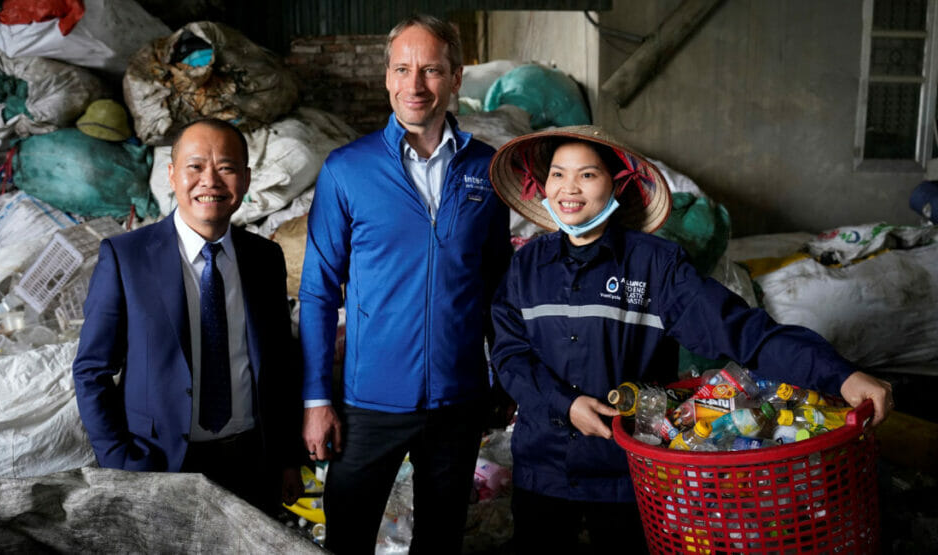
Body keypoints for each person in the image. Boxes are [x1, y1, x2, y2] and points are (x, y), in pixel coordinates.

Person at [487, 126, 895, 553]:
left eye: (587, 175)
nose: (569, 188)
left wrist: (840, 376)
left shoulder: (654, 267)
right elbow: (511, 354)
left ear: (618, 185)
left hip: (631, 472)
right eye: (557, 174)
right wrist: (565, 404)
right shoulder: (525, 267)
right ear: (543, 184)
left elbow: (742, 331)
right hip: (543, 467)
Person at [299, 14, 512, 555]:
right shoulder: (348, 169)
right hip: (370, 403)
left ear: (456, 77)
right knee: (348, 537)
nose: (415, 85)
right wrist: (317, 398)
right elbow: (319, 291)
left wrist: (504, 377)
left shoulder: (486, 171)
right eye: (402, 69)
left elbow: (495, 286)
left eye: (432, 70)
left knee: (440, 542)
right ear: (387, 77)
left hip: (459, 401)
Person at [73, 118, 305, 514]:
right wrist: (121, 464)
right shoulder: (127, 257)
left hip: (252, 462)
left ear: (246, 180)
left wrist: (286, 459)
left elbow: (280, 364)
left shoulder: (265, 258)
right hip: (161, 465)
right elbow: (92, 371)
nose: (210, 181)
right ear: (171, 175)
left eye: (226, 168)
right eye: (195, 167)